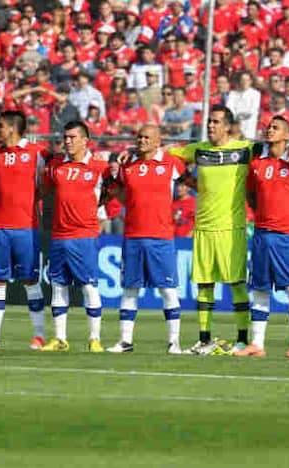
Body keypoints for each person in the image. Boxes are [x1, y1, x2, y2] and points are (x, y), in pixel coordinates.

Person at [167, 105, 256, 355]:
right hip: (203, 227)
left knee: (236, 283)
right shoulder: (199, 150)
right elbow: (169, 156)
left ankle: (241, 339)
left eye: (216, 122)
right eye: (209, 121)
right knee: (204, 284)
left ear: (228, 126)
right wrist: (187, 179)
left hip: (231, 228)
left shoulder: (244, 149)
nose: (210, 126)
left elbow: (271, 153)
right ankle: (204, 339)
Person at [236, 116, 289, 359]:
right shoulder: (257, 162)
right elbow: (250, 194)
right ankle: (257, 343)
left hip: (287, 234)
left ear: (287, 135)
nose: (269, 130)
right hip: (262, 234)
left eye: (276, 127)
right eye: (269, 126)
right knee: (259, 289)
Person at [106, 124, 186, 354]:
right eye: (139, 137)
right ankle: (125, 341)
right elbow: (117, 191)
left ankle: (174, 342)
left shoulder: (171, 163)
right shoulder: (128, 164)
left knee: (167, 290)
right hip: (133, 235)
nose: (142, 140)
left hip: (161, 237)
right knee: (130, 289)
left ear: (158, 141)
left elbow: (192, 179)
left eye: (147, 137)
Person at [0, 111, 50, 350]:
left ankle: (39, 335)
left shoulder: (37, 152)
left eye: (0, 125)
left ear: (13, 128)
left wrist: (35, 196)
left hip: (26, 226)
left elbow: (48, 179)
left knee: (30, 280)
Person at [40, 121, 109, 352]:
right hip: (59, 235)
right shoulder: (56, 164)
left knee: (88, 286)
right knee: (58, 286)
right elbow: (44, 190)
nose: (67, 141)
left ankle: (94, 339)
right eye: (65, 137)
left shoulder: (100, 166)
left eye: (72, 137)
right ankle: (60, 339)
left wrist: (95, 207)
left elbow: (114, 190)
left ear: (85, 140)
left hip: (84, 235)